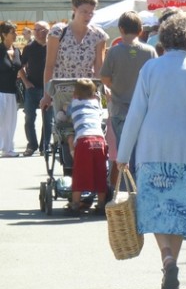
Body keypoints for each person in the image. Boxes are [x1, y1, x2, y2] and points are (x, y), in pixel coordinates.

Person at [116, 11, 186, 289]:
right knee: (178, 211)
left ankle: (166, 258)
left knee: (154, 209)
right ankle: (171, 261)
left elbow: (136, 114)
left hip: (152, 151)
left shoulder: (150, 70)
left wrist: (123, 154)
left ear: (163, 39)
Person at [100, 11, 157, 186]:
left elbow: (105, 78)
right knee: (141, 148)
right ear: (140, 30)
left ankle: (124, 186)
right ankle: (140, 183)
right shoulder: (150, 51)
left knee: (124, 148)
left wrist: (114, 87)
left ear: (121, 29)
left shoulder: (114, 52)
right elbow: (155, 77)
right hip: (144, 109)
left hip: (119, 108)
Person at [40, 0, 109, 111]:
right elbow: (49, 66)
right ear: (74, 9)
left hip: (88, 93)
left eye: (91, 13)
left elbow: (99, 67)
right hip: (62, 94)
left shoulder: (98, 35)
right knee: (64, 129)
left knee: (88, 129)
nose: (88, 16)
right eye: (84, 12)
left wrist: (101, 91)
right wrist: (46, 95)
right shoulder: (58, 32)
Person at [61, 78, 108, 215]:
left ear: (75, 94)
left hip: (84, 140)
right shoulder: (96, 104)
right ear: (94, 94)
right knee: (100, 173)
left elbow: (65, 111)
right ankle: (101, 204)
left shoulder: (74, 104)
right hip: (100, 141)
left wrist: (64, 108)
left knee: (79, 173)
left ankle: (75, 203)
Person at [18, 21, 54, 156]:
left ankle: (45, 146)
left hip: (49, 89)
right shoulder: (29, 48)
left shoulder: (53, 46)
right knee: (29, 118)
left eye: (42, 30)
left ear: (48, 31)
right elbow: (19, 66)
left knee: (48, 119)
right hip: (32, 88)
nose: (38, 33)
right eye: (36, 30)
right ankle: (31, 145)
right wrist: (26, 81)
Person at [0, 21, 22, 157]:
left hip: (12, 91)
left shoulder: (17, 51)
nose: (15, 34)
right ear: (4, 34)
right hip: (0, 91)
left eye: (15, 31)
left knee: (11, 121)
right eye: (12, 32)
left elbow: (20, 68)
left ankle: (8, 149)